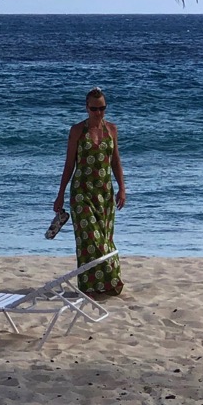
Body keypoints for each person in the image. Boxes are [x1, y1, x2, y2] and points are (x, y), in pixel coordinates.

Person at [53, 86, 125, 296]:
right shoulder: (77, 131)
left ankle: (104, 286)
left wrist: (122, 188)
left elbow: (116, 161)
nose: (98, 113)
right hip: (81, 192)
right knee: (90, 239)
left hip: (105, 192)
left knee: (105, 237)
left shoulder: (111, 129)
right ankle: (102, 280)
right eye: (94, 109)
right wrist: (60, 194)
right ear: (86, 108)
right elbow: (69, 165)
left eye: (102, 108)